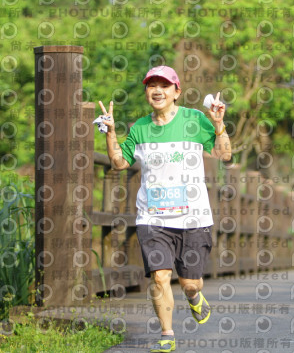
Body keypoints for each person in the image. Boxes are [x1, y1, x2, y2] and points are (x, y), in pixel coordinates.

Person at [98, 65, 231, 353]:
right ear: (147, 92)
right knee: (159, 275)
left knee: (190, 283)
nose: (157, 91)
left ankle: (194, 298)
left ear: (176, 92)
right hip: (153, 217)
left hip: (193, 216)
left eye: (164, 85)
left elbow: (224, 153)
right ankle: (167, 334)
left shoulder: (195, 119)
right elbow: (120, 162)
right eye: (151, 85)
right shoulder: (139, 128)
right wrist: (110, 132)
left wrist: (219, 125)